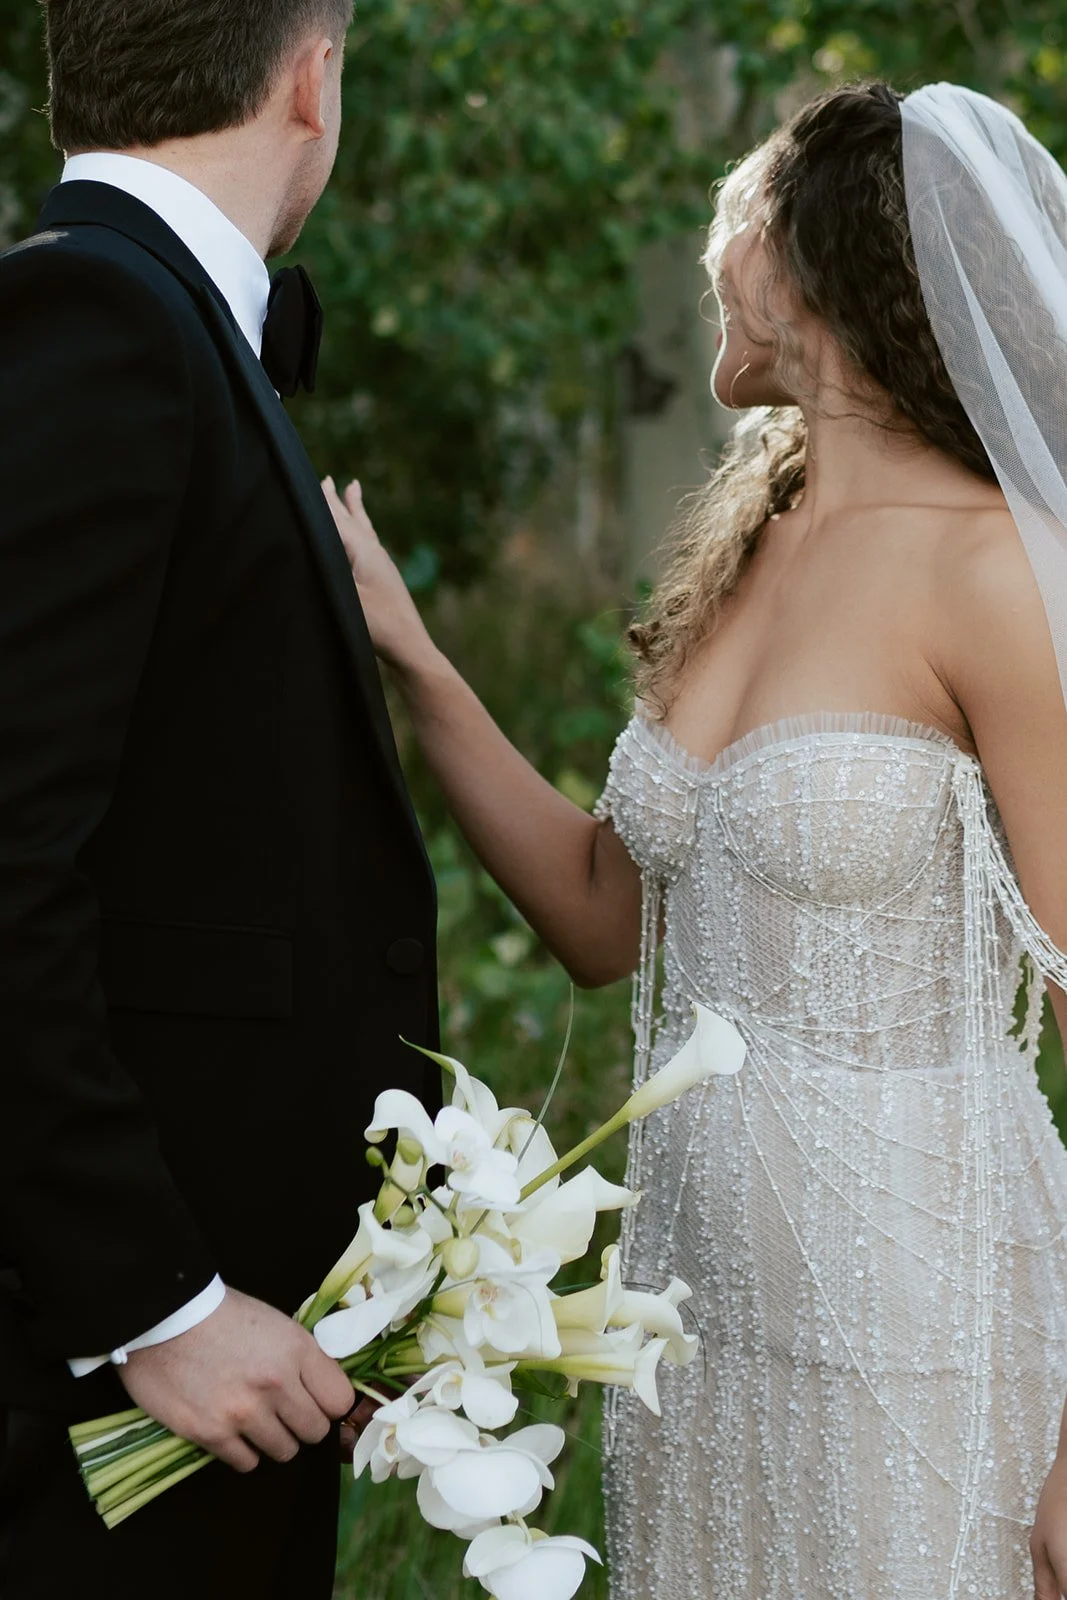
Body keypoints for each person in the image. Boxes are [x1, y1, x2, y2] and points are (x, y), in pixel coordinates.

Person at [324, 81, 1067, 1598]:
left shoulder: (993, 572)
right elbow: (604, 919)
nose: (708, 250)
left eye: (734, 218)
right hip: (699, 1318)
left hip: (923, 1319)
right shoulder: (752, 541)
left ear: (811, 260)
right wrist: (412, 657)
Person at [0, 2, 438, 1595]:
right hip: (112, 1389)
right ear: (312, 78)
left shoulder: (152, 318)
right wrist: (154, 1303)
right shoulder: (97, 319)